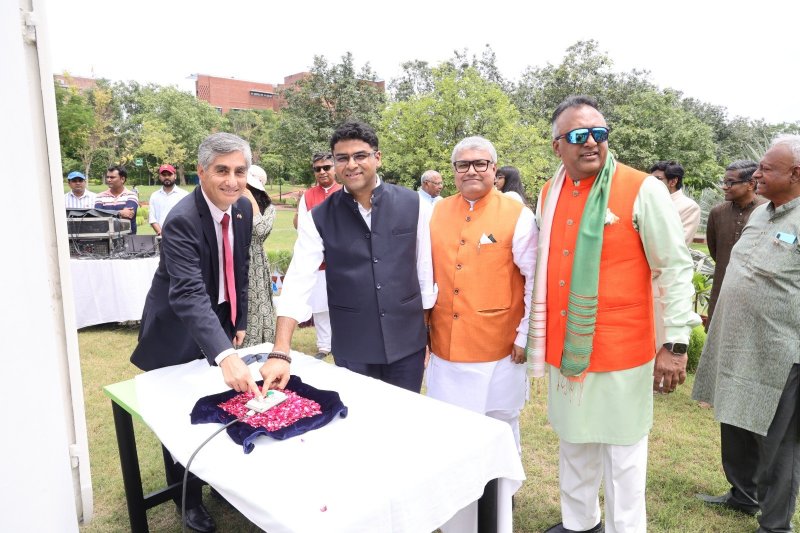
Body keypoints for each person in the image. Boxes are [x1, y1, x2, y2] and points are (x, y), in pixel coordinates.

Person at [526, 96, 699, 533]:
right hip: (568, 345)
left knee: (623, 452)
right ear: (557, 145)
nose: (591, 142)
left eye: (599, 133)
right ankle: (580, 522)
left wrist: (675, 343)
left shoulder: (642, 188)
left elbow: (674, 267)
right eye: (578, 135)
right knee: (574, 441)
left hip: (623, 347)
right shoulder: (549, 191)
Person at [130, 133, 289, 533]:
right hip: (177, 326)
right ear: (201, 171)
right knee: (179, 414)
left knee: (219, 404)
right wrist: (224, 354)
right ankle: (187, 498)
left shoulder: (243, 208)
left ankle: (217, 478)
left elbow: (239, 270)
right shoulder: (181, 220)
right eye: (222, 170)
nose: (232, 181)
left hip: (219, 318)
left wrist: (237, 321)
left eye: (239, 171)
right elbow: (187, 294)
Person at [274, 120, 436, 392]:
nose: (351, 165)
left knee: (404, 412)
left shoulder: (414, 204)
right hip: (352, 343)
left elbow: (425, 271)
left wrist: (427, 332)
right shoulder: (318, 217)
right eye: (342, 158)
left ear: (377, 158)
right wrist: (281, 350)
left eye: (360, 156)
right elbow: (298, 279)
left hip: (407, 342)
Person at [427, 136, 536, 532]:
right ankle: (457, 503)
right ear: (454, 171)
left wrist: (525, 334)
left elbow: (534, 279)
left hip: (499, 344)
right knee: (451, 429)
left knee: (499, 423)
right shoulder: (436, 211)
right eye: (463, 165)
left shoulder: (517, 214)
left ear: (494, 169)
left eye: (480, 163)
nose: (471, 171)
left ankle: (500, 499)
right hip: (446, 342)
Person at [692, 134, 800, 533]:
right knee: (734, 419)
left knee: (778, 441)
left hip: (780, 352)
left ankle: (775, 524)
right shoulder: (760, 214)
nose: (757, 175)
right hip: (737, 342)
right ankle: (743, 495)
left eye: (767, 169)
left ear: (796, 173)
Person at [292, 152, 342, 359]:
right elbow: (301, 227)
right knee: (320, 305)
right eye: (317, 169)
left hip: (343, 259)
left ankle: (344, 342)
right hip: (318, 259)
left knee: (343, 303)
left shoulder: (346, 191)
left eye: (326, 167)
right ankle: (324, 346)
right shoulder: (308, 196)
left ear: (335, 168)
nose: (322, 172)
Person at [705, 160, 766, 325]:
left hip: (756, 290)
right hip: (722, 286)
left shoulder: (768, 211)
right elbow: (715, 251)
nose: (724, 187)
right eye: (724, 182)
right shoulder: (717, 213)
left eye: (730, 182)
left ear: (751, 184)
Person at [241, 164, 277, 347]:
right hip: (233, 259)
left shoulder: (269, 208)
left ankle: (260, 344)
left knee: (257, 303)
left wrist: (250, 200)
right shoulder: (232, 203)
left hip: (255, 262)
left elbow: (260, 231)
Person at [649, 160, 701, 246]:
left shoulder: (689, 207)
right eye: (650, 179)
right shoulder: (647, 202)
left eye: (658, 179)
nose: (651, 183)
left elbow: (679, 244)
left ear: (673, 182)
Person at [94, 165, 140, 234]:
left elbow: (128, 214)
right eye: (107, 177)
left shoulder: (132, 195)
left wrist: (106, 214)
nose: (108, 180)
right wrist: (120, 213)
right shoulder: (100, 196)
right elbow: (98, 216)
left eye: (112, 177)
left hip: (128, 238)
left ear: (122, 179)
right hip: (105, 238)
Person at [148, 164, 189, 235]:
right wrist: (161, 233)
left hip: (180, 236)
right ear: (160, 177)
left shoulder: (184, 195)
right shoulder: (154, 196)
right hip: (161, 236)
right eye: (164, 175)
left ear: (175, 176)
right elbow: (152, 218)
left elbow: (188, 218)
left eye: (169, 174)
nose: (166, 177)